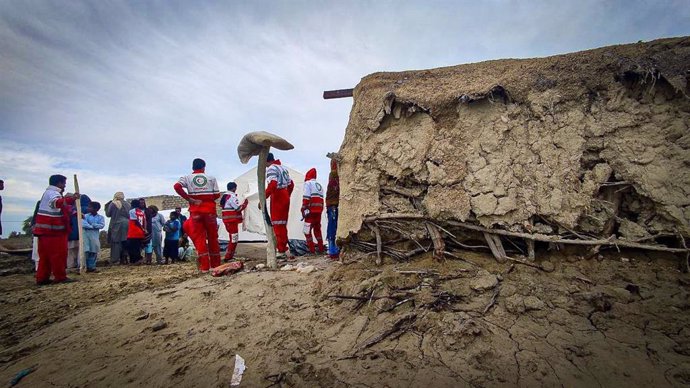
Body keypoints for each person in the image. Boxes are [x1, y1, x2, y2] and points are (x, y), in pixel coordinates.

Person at [174, 158, 221, 272]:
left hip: (196, 212)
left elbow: (177, 186)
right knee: (213, 238)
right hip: (209, 212)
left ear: (192, 168)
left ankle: (204, 267)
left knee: (200, 239)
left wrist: (190, 199)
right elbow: (217, 195)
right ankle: (215, 265)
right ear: (204, 167)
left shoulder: (187, 178)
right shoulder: (211, 178)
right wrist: (207, 199)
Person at [32, 174, 79, 285]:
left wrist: (75, 212)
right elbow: (57, 203)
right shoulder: (53, 193)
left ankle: (42, 278)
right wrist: (72, 198)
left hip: (45, 231)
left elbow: (62, 209)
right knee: (58, 255)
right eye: (64, 184)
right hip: (54, 231)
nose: (64, 186)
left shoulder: (47, 193)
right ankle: (60, 277)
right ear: (59, 183)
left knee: (45, 256)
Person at [264, 152, 294, 260]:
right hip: (284, 194)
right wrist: (287, 195)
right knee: (282, 224)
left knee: (277, 224)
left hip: (277, 196)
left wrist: (264, 197)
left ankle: (281, 250)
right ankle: (285, 249)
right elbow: (291, 184)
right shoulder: (283, 168)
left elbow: (272, 183)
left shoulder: (271, 168)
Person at [220, 182, 248, 262]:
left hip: (227, 221)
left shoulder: (225, 196)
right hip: (231, 221)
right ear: (234, 188)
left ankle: (229, 256)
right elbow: (238, 208)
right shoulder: (231, 196)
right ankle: (228, 257)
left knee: (232, 238)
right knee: (234, 239)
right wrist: (245, 204)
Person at [302, 168, 325, 254]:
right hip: (318, 211)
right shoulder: (319, 185)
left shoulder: (308, 184)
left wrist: (303, 208)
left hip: (310, 211)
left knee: (306, 230)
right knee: (317, 230)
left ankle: (312, 250)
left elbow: (306, 197)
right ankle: (321, 248)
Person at [104, 192, 130, 265]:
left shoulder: (113, 203)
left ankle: (115, 259)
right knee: (125, 241)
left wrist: (106, 206)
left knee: (116, 242)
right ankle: (124, 258)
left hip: (116, 224)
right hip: (127, 224)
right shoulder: (127, 204)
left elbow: (108, 214)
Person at [66, 194, 90, 270]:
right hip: (81, 233)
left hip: (71, 233)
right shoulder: (87, 210)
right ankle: (81, 265)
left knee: (70, 251)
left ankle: (70, 266)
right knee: (81, 250)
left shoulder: (72, 209)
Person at [82, 201, 105, 272]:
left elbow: (101, 225)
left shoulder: (100, 217)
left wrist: (92, 225)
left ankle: (92, 267)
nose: (88, 208)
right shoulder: (85, 216)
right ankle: (84, 266)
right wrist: (93, 226)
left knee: (93, 252)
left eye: (90, 207)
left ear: (96, 209)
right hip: (86, 236)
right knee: (86, 251)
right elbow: (83, 224)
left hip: (94, 236)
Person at [326, 158, 340, 259]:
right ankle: (333, 250)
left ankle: (333, 250)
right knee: (333, 226)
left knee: (331, 226)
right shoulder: (336, 175)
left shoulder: (333, 175)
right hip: (334, 205)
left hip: (332, 205)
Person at [126, 199, 147, 264]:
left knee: (131, 247)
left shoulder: (132, 211)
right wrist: (144, 229)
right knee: (137, 246)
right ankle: (134, 261)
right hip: (140, 232)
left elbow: (135, 221)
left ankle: (138, 259)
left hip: (133, 231)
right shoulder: (141, 212)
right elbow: (145, 221)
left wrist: (141, 228)